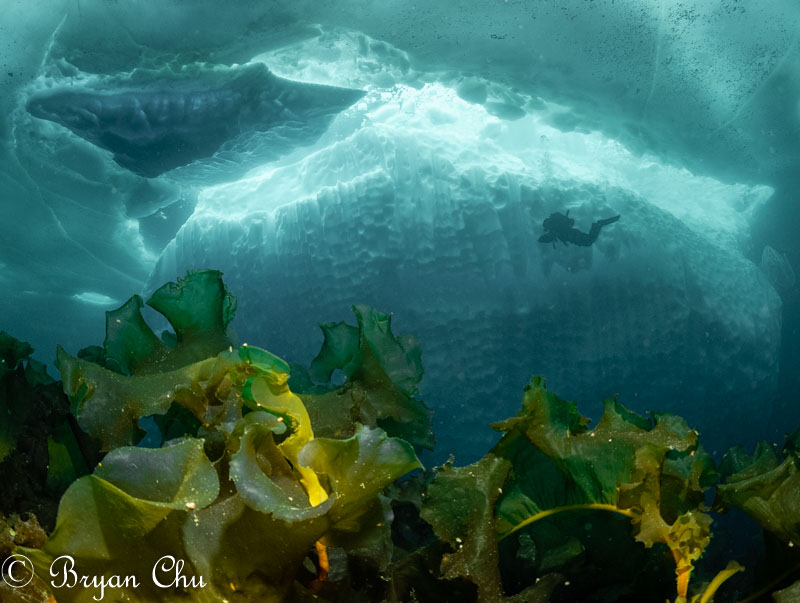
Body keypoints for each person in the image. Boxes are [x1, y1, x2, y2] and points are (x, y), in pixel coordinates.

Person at [538, 210, 620, 247]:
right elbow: (571, 222)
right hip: (574, 235)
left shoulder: (554, 231)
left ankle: (598, 224)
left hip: (574, 236)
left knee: (589, 241)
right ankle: (597, 225)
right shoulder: (555, 230)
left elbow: (546, 238)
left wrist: (542, 239)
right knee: (589, 241)